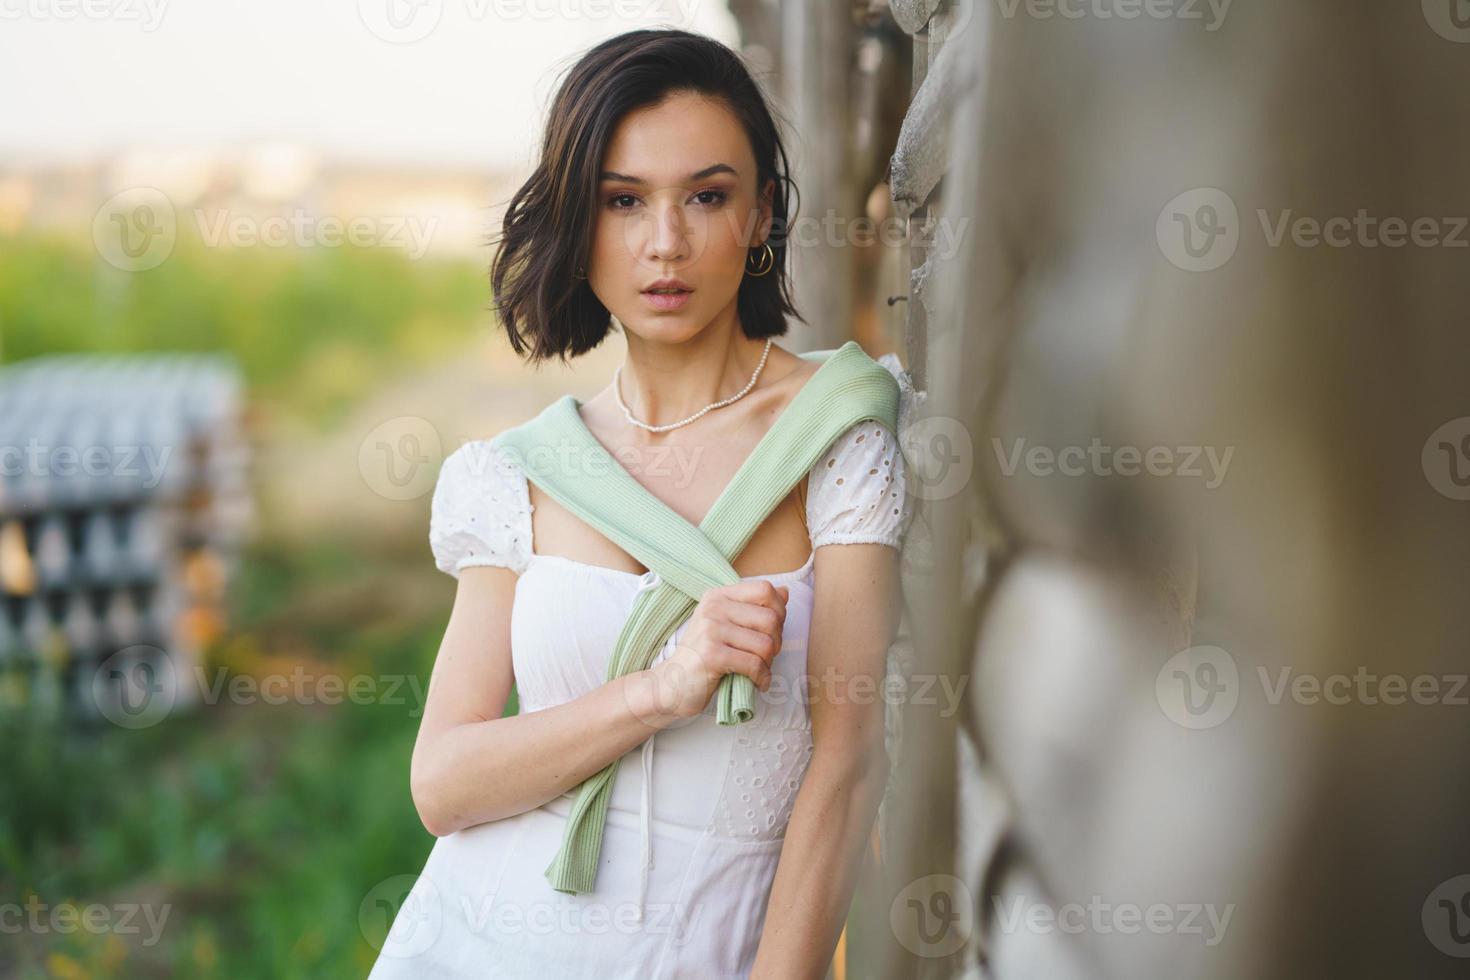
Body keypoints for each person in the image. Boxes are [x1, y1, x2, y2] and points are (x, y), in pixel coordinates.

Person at [367, 27, 915, 979]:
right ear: (579, 225)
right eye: (623, 202)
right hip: (474, 943)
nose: (666, 243)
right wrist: (660, 691)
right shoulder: (521, 471)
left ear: (762, 215)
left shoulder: (837, 435)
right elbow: (443, 786)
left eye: (707, 196)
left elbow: (850, 759)